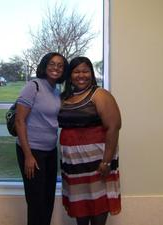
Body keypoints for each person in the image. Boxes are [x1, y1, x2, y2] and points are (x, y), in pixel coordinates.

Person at [58, 56, 122, 225]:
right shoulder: (65, 97)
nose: (81, 75)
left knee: (98, 202)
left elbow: (114, 127)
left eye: (85, 71)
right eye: (76, 71)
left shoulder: (100, 94)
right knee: (80, 202)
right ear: (69, 75)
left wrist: (106, 161)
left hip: (97, 161)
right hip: (73, 164)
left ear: (92, 74)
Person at [15, 52, 68, 225]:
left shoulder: (55, 90)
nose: (56, 68)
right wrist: (28, 155)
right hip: (32, 151)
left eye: (60, 65)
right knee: (36, 202)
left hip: (50, 151)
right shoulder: (33, 86)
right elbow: (19, 120)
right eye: (52, 64)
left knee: (47, 200)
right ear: (45, 66)